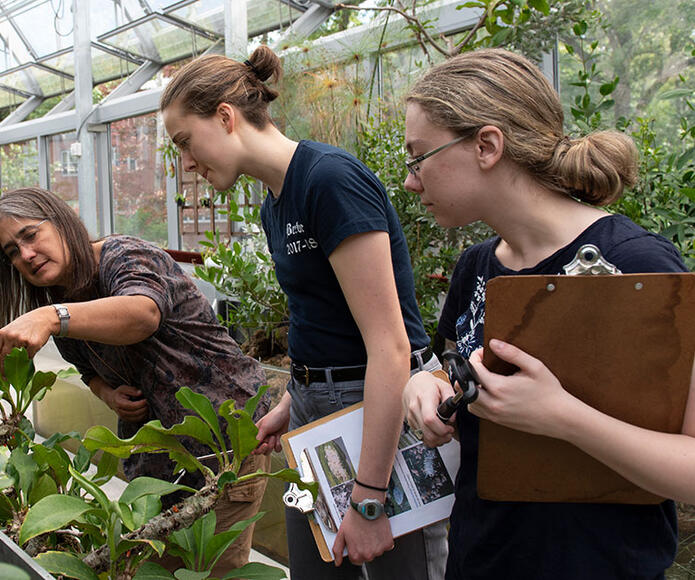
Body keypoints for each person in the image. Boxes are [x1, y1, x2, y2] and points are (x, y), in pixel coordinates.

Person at [400, 48, 691, 579]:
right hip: (482, 557)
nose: (411, 181)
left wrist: (561, 416)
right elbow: (450, 369)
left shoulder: (636, 265)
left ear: (487, 146)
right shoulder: (477, 265)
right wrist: (423, 387)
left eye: (418, 157)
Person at [161, 46, 448, 580]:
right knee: (312, 562)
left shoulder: (329, 180)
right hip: (311, 414)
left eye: (184, 142)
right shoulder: (275, 200)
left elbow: (390, 345)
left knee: (399, 569)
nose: (187, 163)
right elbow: (323, 318)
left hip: (376, 404)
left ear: (225, 117)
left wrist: (369, 497)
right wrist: (295, 398)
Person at [0, 187, 271, 576]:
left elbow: (143, 313)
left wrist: (53, 317)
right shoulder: (57, 296)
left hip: (223, 445)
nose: (26, 255)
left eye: (30, 235)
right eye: (13, 252)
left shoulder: (124, 256)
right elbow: (88, 369)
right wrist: (106, 392)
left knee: (209, 570)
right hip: (156, 464)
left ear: (63, 220)